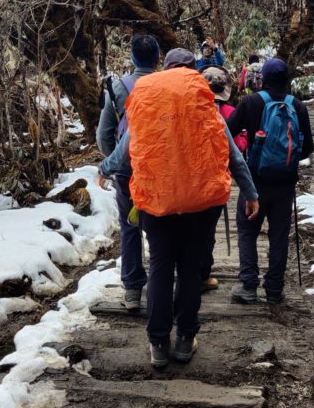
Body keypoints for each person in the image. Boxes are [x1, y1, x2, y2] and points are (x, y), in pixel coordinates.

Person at [98, 47, 259, 369]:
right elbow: (232, 155)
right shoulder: (206, 106)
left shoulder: (148, 105)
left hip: (157, 203)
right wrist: (251, 192)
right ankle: (185, 339)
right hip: (200, 203)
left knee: (159, 269)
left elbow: (124, 151)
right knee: (188, 271)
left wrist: (104, 169)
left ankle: (158, 343)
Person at [226, 57, 314, 305]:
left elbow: (226, 134)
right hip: (285, 184)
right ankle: (274, 289)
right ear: (287, 80)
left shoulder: (251, 102)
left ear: (262, 78)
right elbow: (307, 148)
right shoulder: (297, 106)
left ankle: (249, 285)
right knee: (278, 235)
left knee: (247, 230)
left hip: (254, 180)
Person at [96, 34, 160, 311]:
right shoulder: (166, 85)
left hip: (128, 169)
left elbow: (103, 134)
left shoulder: (117, 87)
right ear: (158, 58)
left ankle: (133, 290)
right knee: (161, 225)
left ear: (132, 58)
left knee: (129, 228)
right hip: (160, 167)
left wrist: (114, 159)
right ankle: (162, 282)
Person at [199, 66, 248, 291]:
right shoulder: (229, 111)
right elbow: (237, 146)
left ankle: (187, 271)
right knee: (207, 230)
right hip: (218, 179)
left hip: (193, 175)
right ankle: (203, 272)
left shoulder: (193, 109)